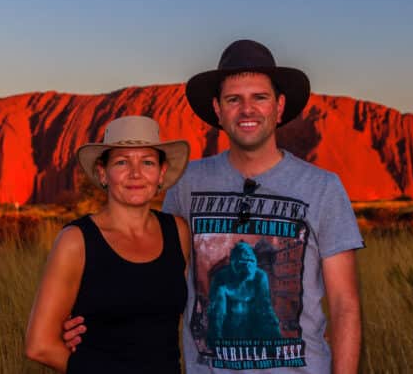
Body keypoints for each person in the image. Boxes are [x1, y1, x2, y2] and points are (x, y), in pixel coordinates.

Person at [64, 39, 364, 373]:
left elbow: (344, 306)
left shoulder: (322, 188)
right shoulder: (187, 183)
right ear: (218, 110)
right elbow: (158, 283)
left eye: (259, 97)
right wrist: (91, 321)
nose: (246, 110)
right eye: (234, 99)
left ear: (279, 106)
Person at [25, 115, 192, 373]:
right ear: (103, 173)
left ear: (161, 173)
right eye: (122, 162)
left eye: (147, 162)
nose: (135, 173)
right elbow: (39, 345)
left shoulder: (177, 232)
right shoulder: (77, 240)